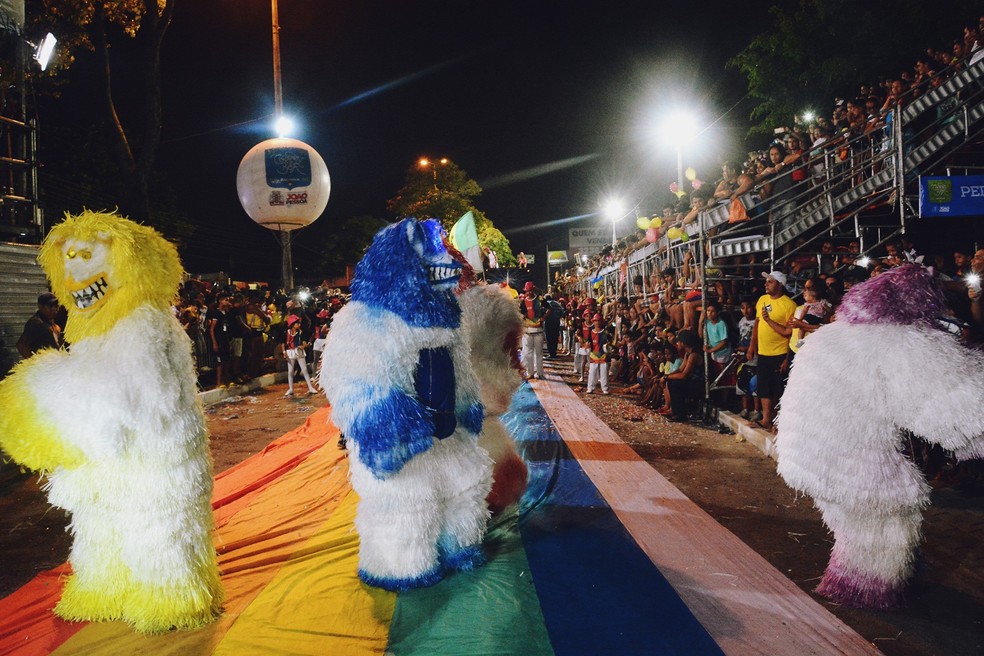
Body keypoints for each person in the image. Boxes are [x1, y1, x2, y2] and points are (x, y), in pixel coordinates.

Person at [746, 271, 797, 432]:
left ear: (780, 284)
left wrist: (787, 358)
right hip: (763, 352)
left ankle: (778, 421)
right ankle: (766, 419)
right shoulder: (762, 299)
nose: (766, 284)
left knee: (778, 389)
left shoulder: (789, 305)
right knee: (764, 387)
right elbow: (757, 323)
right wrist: (752, 345)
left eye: (770, 281)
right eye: (766, 281)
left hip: (780, 352)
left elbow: (791, 334)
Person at [664, 329, 705, 422]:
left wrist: (666, 377)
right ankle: (675, 412)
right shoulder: (688, 353)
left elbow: (684, 375)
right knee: (671, 382)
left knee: (675, 384)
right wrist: (667, 376)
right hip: (692, 381)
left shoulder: (693, 355)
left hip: (698, 384)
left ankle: (681, 415)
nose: (677, 344)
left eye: (678, 342)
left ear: (684, 343)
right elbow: (680, 369)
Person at [16, 292, 63, 358]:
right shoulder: (35, 323)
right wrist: (34, 362)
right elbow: (21, 345)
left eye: (56, 306)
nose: (54, 309)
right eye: (50, 306)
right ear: (41, 307)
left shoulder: (53, 324)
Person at [281, 314, 318, 397]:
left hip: (299, 351)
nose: (299, 325)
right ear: (292, 324)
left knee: (304, 370)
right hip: (290, 352)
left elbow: (304, 342)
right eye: (297, 323)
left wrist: (303, 346)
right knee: (290, 371)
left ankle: (310, 387)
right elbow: (283, 343)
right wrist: (284, 352)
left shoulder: (301, 332)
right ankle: (290, 389)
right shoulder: (286, 333)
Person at [519, 281, 548, 379]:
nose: (529, 292)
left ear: (534, 290)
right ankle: (530, 373)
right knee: (528, 354)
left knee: (539, 353)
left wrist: (543, 318)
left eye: (531, 290)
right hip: (527, 331)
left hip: (538, 330)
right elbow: (520, 314)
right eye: (528, 291)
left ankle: (539, 373)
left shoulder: (540, 299)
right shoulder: (523, 302)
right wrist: (523, 317)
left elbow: (549, 308)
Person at [585, 313, 610, 394]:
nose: (597, 323)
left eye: (599, 321)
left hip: (603, 355)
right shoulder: (591, 332)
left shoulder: (605, 332)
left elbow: (609, 343)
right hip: (594, 355)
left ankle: (605, 388)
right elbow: (588, 342)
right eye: (595, 321)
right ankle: (590, 388)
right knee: (592, 372)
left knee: (604, 373)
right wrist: (587, 346)